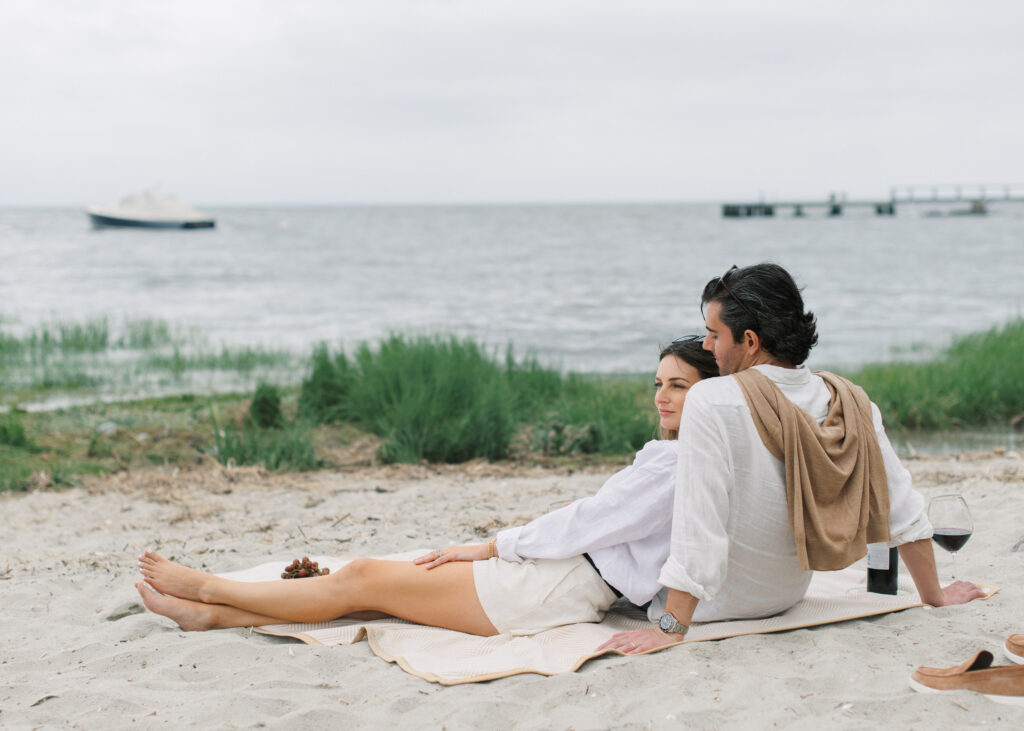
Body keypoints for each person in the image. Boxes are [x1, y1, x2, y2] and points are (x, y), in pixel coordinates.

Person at [136, 337, 719, 637]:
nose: (661, 396)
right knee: (368, 592)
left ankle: (209, 591)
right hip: (556, 574)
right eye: (658, 382)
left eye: (680, 386)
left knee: (364, 578)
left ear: (711, 395)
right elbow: (604, 519)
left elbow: (589, 524)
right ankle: (215, 618)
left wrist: (489, 545)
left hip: (555, 588)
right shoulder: (670, 456)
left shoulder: (678, 464)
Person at [600, 263, 985, 655]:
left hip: (713, 607)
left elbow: (699, 529)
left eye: (714, 334)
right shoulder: (850, 398)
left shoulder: (712, 400)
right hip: (784, 596)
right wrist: (934, 595)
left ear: (749, 341)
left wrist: (670, 628)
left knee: (600, 534)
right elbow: (901, 507)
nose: (705, 346)